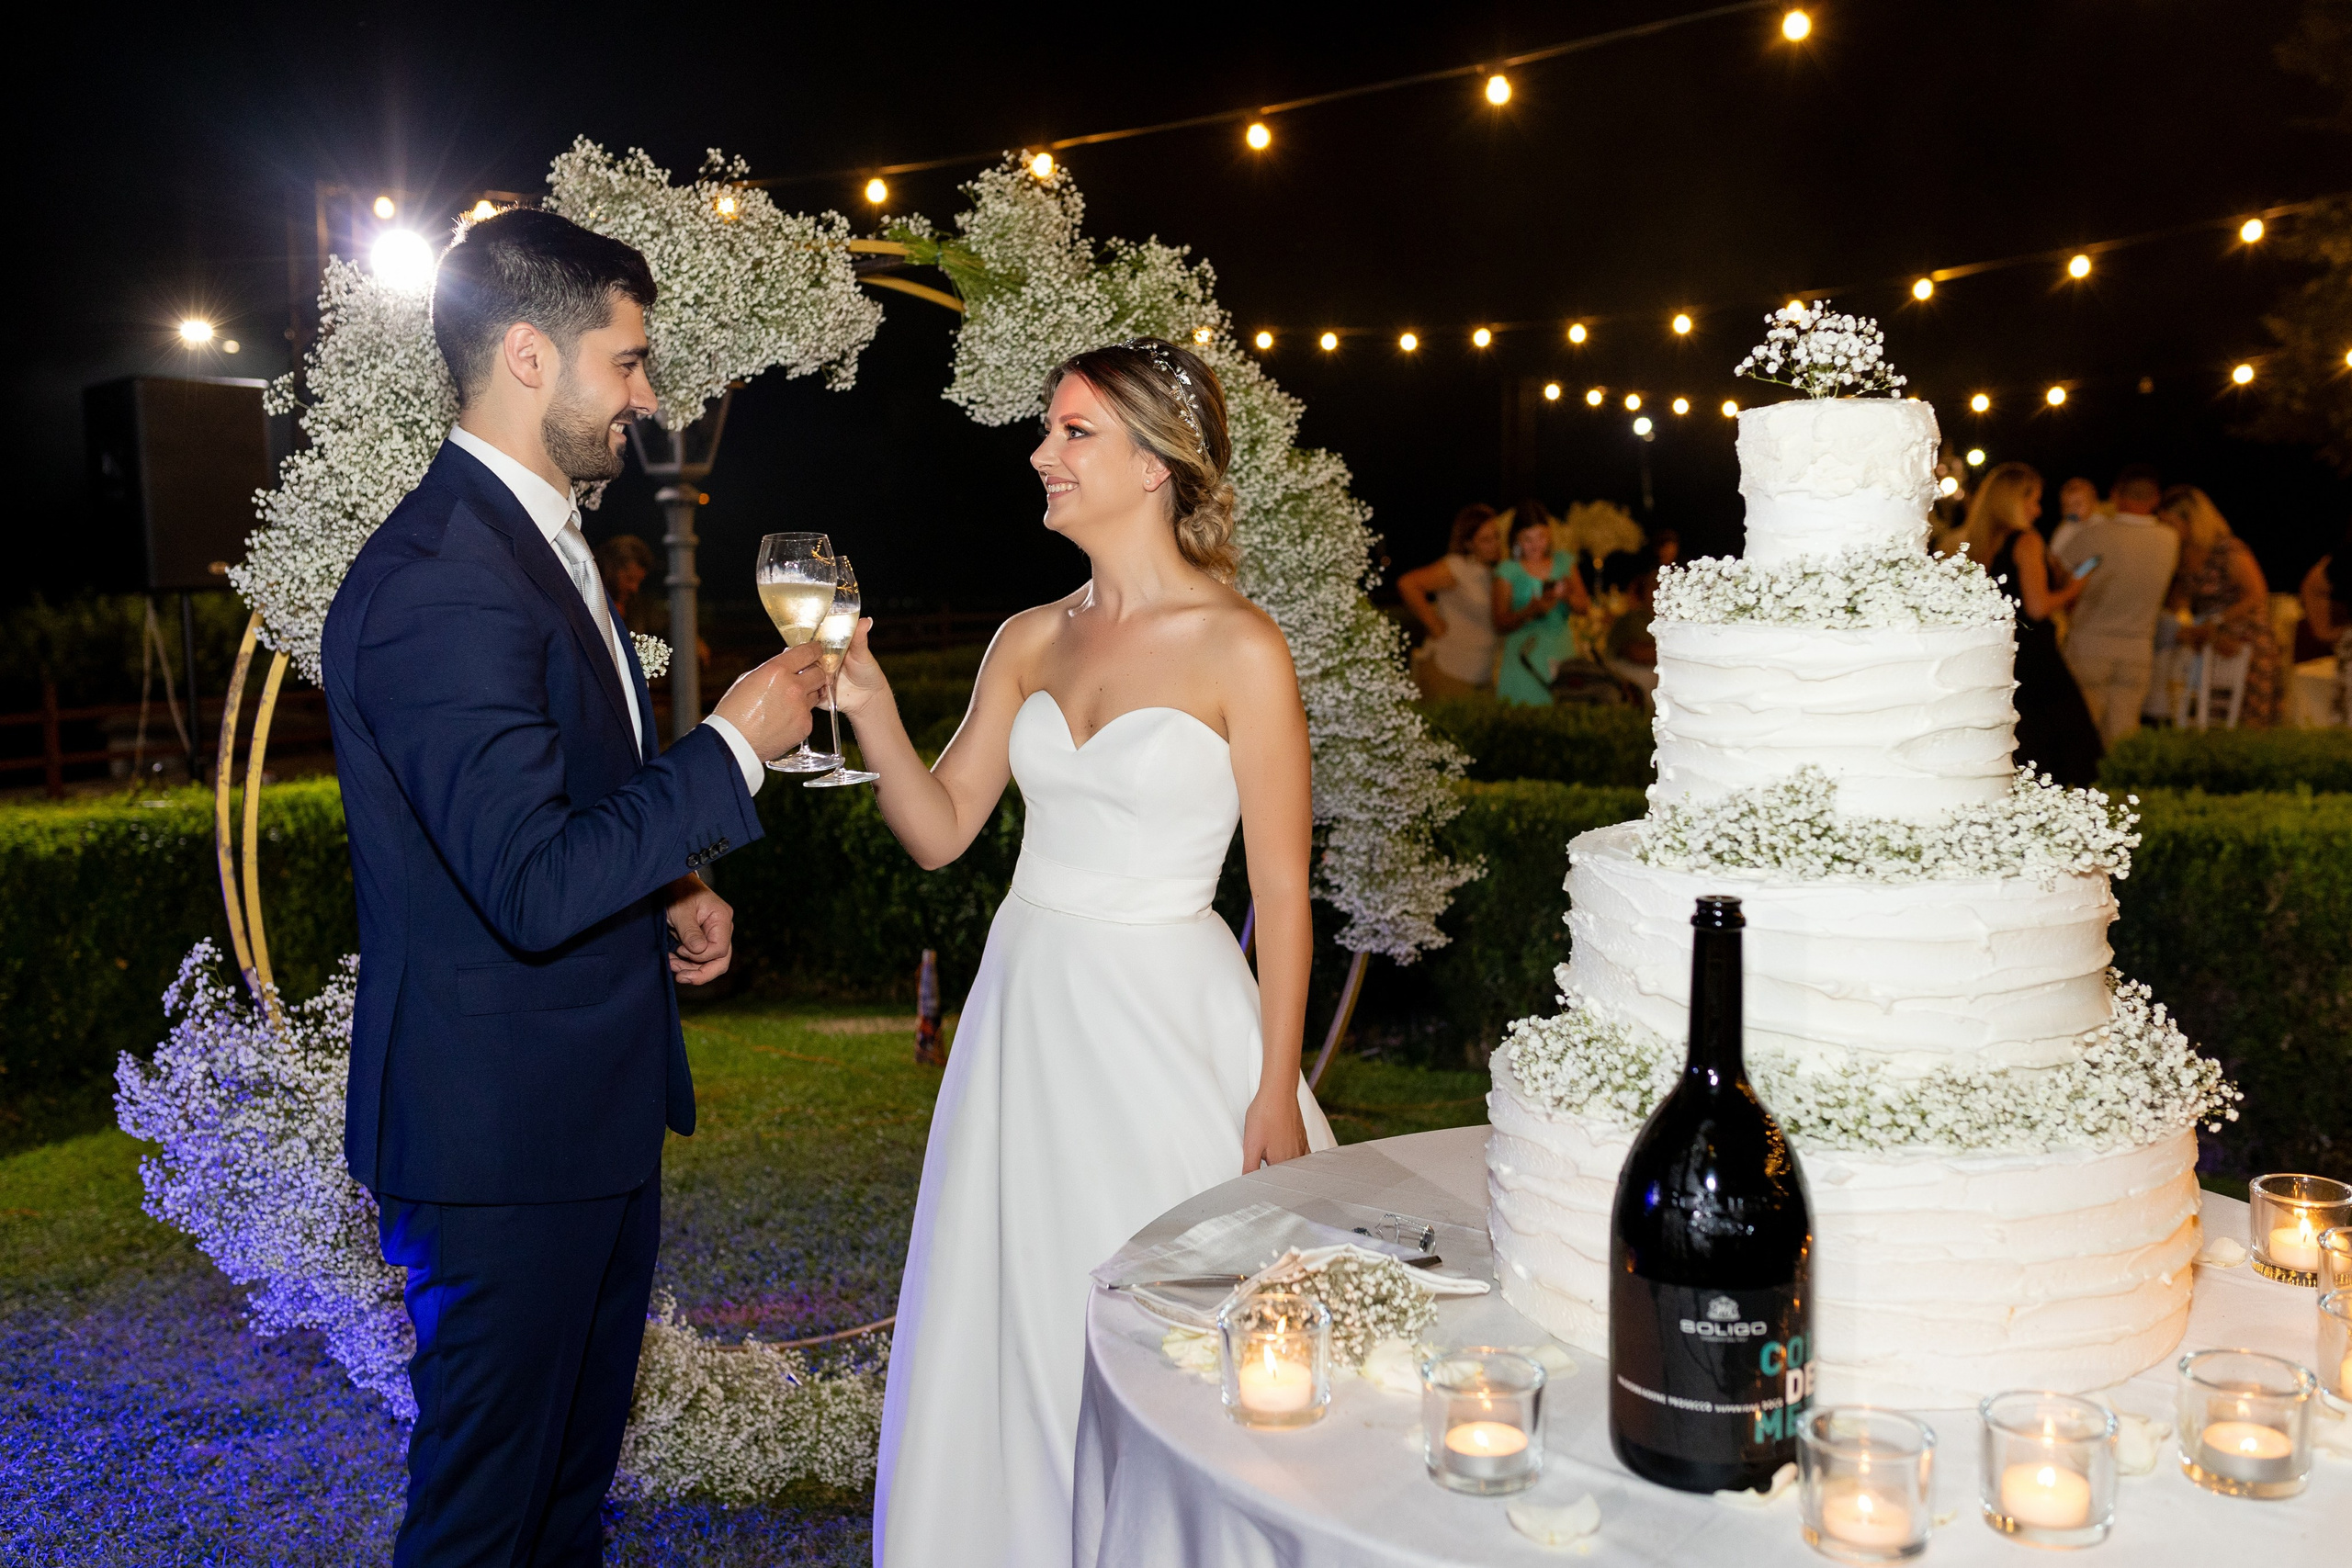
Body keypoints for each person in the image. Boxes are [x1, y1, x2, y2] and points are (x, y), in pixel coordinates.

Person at [318, 209, 829, 1563]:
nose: (650, 399)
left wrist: (670, 882)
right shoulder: (440, 575)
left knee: (561, 1502)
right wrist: (733, 747)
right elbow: (531, 882)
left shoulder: (539, 535)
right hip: (498, 1143)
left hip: (579, 1116)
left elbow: (555, 794)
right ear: (532, 357)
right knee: (485, 1520)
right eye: (634, 361)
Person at [832, 338, 1337, 1566]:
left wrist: (1273, 1084)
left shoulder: (1241, 648)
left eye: (1072, 432)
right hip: (1028, 1015)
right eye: (1050, 430)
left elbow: (1282, 890)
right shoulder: (1028, 639)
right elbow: (944, 828)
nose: (1041, 452)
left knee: (1180, 1317)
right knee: (1018, 1304)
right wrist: (872, 707)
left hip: (1168, 1016)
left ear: (1158, 465)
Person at [1959, 462, 2103, 784]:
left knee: (2017, 746)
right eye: (2034, 501)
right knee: (2065, 746)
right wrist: (2074, 588)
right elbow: (2037, 608)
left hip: (1997, 654)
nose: (2038, 511)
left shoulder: (1976, 542)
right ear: (2015, 501)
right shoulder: (2025, 541)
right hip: (2036, 656)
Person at [2054, 463, 2180, 746]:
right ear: (2155, 499)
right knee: (2123, 735)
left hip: (2090, 643)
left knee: (2083, 734)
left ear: (2115, 495)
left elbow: (2063, 573)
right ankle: (2120, 790)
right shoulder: (2169, 539)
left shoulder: (2094, 535)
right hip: (2137, 648)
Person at [2158, 485, 2278, 727]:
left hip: (2245, 636)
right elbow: (2180, 601)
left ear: (2190, 520)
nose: (2166, 531)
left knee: (2247, 717)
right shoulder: (2181, 554)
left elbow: (2257, 593)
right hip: (2208, 638)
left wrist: (2216, 622)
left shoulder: (2228, 549)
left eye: (2171, 524)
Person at [1396, 502, 1501, 697]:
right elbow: (1408, 584)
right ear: (1469, 543)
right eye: (1486, 540)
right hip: (1449, 671)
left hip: (1483, 675)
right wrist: (1434, 623)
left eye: (1497, 536)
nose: (1495, 544)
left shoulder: (1497, 573)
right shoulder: (1457, 567)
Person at [1492, 500, 1589, 706]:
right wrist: (1530, 610)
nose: (1535, 545)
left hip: (1560, 651)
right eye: (1527, 539)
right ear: (1516, 538)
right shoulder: (1507, 571)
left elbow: (1584, 608)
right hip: (1522, 656)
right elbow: (1499, 623)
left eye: (1541, 537)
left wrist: (1566, 596)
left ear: (1549, 534)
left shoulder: (1564, 563)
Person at [594, 532, 658, 632]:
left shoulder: (633, 607)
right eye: (630, 579)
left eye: (639, 582)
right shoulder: (588, 596)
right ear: (610, 568)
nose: (634, 588)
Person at [2049, 475, 2102, 564]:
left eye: (2077, 504)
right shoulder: (2066, 529)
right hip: (2075, 571)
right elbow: (2053, 555)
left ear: (2093, 502)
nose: (2072, 510)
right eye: (2067, 506)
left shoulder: (2101, 523)